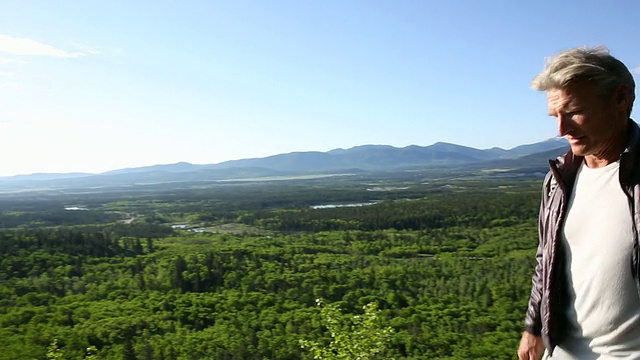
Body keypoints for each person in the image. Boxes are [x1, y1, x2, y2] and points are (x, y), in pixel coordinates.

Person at [517, 46, 640, 360]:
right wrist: (533, 327)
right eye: (555, 116)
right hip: (563, 351)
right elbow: (546, 260)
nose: (561, 129)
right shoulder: (561, 178)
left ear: (621, 99)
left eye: (572, 112)